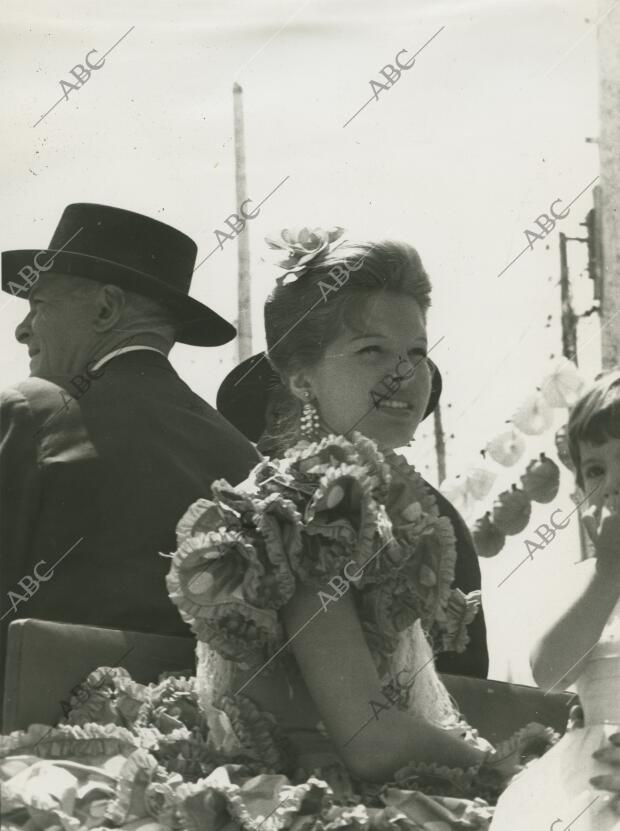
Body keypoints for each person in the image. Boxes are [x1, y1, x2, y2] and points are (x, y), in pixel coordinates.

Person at [0, 203, 259, 696]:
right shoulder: (244, 457)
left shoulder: (31, 411)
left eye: (39, 304)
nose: (22, 328)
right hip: (200, 755)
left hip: (36, 754)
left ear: (106, 309)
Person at [490, 370, 620, 829]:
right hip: (592, 780)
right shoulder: (590, 582)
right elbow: (549, 674)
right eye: (597, 470)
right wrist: (608, 575)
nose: (613, 484)